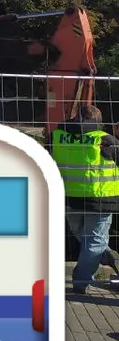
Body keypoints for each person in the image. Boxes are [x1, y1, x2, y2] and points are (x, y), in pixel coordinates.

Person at [50, 104, 119, 294]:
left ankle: (106, 254)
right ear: (98, 120)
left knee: (85, 238)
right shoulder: (105, 140)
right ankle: (81, 283)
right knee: (94, 243)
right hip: (100, 199)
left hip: (69, 198)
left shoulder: (57, 136)